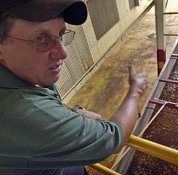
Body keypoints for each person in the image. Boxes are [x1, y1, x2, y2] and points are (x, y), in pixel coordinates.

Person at [0, 0, 147, 175]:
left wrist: (75, 111)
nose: (63, 53)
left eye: (61, 34)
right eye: (40, 39)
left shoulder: (21, 73)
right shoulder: (20, 110)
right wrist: (135, 89)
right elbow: (115, 138)